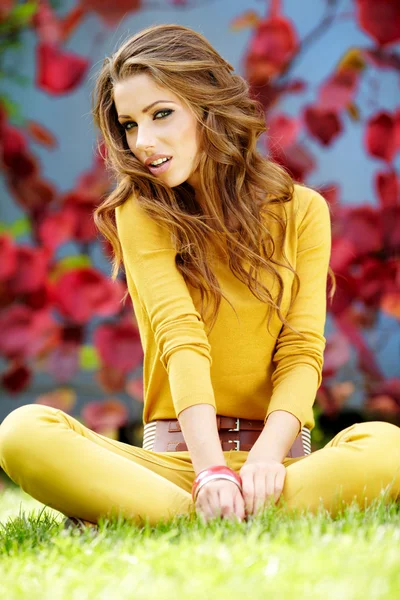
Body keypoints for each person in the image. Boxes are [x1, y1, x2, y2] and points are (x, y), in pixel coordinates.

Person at [0, 24, 399, 530]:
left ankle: (161, 517)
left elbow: (301, 349)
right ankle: (223, 514)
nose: (144, 142)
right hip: (176, 465)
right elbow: (179, 335)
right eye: (129, 125)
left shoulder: (303, 212)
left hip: (277, 466)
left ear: (208, 105)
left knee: (389, 449)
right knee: (23, 432)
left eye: (161, 114)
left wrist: (264, 463)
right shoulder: (141, 209)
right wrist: (210, 471)